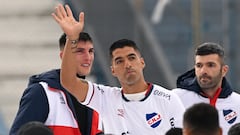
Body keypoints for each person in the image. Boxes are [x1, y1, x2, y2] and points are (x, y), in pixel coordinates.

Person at [52, 4, 185, 135]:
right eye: (119, 61)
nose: (127, 64)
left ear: (142, 62)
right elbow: (69, 82)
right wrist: (72, 38)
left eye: (131, 58)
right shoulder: (106, 98)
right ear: (113, 70)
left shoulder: (168, 99)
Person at [10, 32, 103, 135]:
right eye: (80, 51)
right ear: (64, 56)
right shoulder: (42, 92)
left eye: (90, 51)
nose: (88, 57)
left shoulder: (93, 96)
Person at [172, 42, 240, 135]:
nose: (203, 71)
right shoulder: (175, 98)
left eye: (210, 65)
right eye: (199, 65)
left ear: (224, 70)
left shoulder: (237, 103)